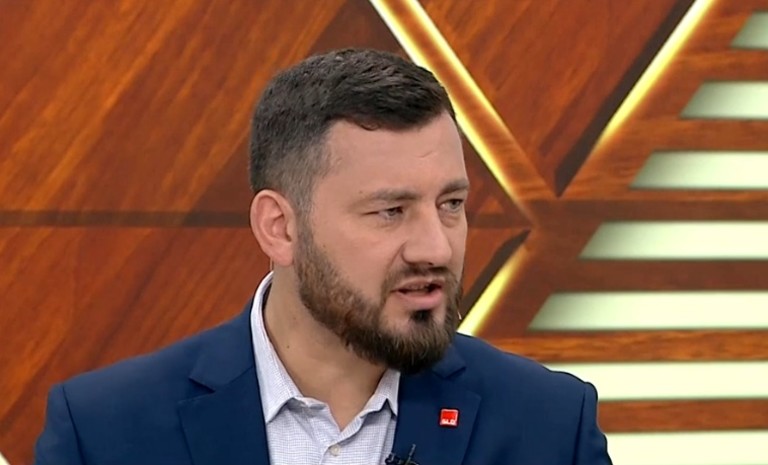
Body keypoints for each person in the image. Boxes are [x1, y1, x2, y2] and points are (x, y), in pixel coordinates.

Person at [34, 48, 612, 465]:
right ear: (280, 228)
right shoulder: (104, 433)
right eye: (391, 211)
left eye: (451, 204)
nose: (436, 247)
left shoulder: (550, 427)